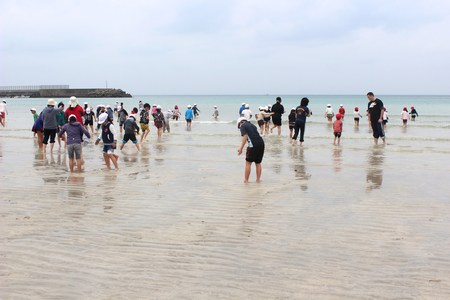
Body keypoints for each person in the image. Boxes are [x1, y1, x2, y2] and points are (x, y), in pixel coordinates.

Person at [237, 117, 265, 183]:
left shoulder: (243, 126)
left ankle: (246, 180)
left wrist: (241, 148)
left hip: (253, 145)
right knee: (258, 163)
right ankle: (258, 180)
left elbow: (245, 136)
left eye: (239, 125)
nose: (239, 127)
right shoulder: (252, 125)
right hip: (261, 143)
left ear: (240, 122)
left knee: (248, 163)